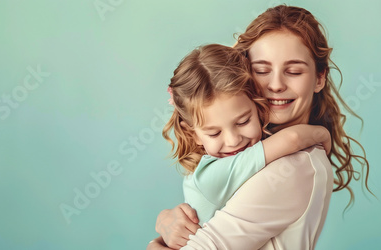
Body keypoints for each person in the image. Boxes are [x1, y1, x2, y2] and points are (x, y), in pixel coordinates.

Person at [148, 5, 371, 250]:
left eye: (294, 71)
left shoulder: (292, 167)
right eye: (262, 70)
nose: (275, 85)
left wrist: (154, 245)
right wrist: (165, 222)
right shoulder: (249, 149)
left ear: (319, 78)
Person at [163, 43, 331, 225]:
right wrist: (323, 134)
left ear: (258, 107)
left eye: (243, 122)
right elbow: (293, 138)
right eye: (214, 133)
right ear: (193, 134)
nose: (233, 140)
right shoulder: (211, 175)